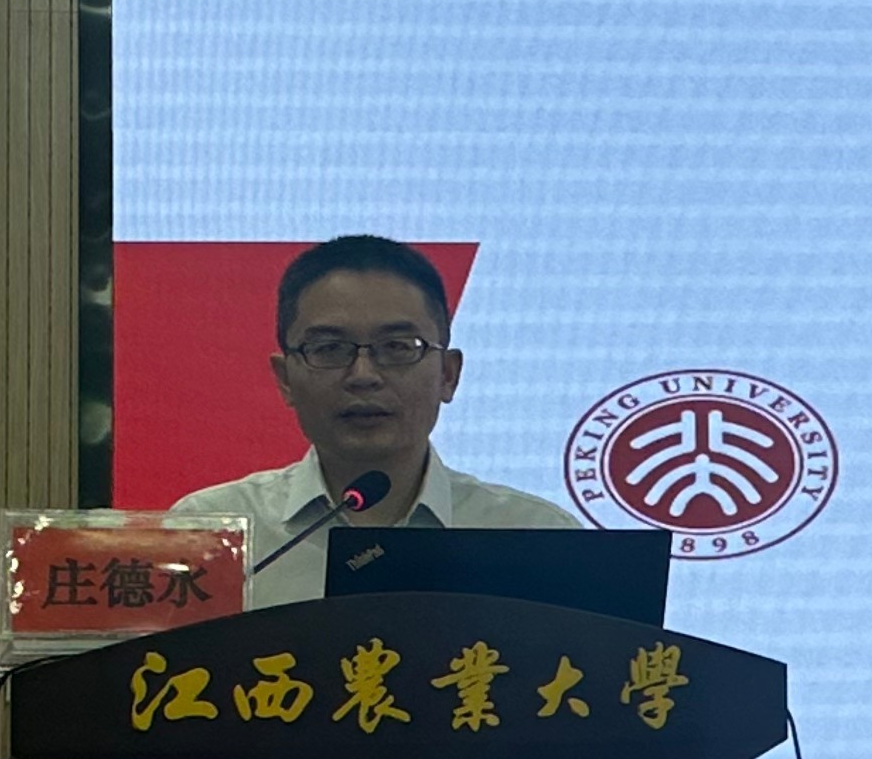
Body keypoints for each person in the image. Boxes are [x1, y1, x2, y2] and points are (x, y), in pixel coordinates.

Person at [170, 234, 572, 604]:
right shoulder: (208, 535)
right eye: (329, 348)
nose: (363, 375)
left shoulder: (539, 539)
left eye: (398, 346)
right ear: (285, 379)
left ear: (448, 375)